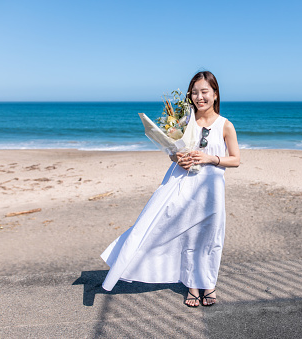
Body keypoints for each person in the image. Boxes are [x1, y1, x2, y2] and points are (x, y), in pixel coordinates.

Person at [100, 71, 240, 307]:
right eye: (194, 92)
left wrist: (209, 159)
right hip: (182, 184)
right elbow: (172, 152)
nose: (199, 97)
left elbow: (235, 159)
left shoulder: (225, 125)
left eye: (204, 92)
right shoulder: (184, 122)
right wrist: (178, 159)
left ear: (215, 94)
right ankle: (193, 286)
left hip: (211, 189)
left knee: (211, 236)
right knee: (186, 234)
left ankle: (209, 284)